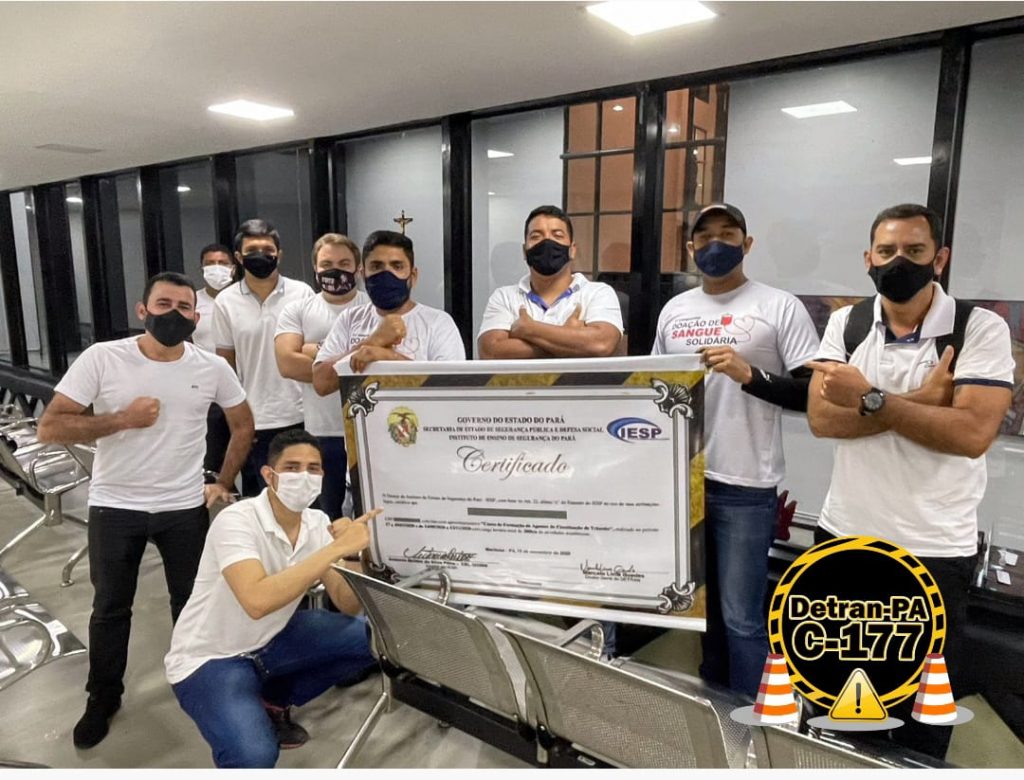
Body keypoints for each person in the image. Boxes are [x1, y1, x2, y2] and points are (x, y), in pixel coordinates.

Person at [807, 203, 1014, 759]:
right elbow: (823, 420)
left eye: (915, 251)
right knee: (843, 702)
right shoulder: (847, 324)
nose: (899, 261)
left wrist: (869, 399)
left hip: (932, 550)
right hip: (844, 537)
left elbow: (971, 433)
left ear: (939, 259)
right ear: (868, 259)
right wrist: (923, 400)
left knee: (920, 717)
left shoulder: (978, 328)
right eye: (887, 251)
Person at [36, 272, 255, 749]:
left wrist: (222, 482)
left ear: (196, 317)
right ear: (142, 310)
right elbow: (49, 427)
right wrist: (121, 420)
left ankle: (199, 683)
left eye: (184, 307)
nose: (174, 314)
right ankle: (102, 697)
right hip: (116, 505)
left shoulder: (211, 367)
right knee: (110, 607)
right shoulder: (104, 357)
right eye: (163, 304)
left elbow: (243, 424)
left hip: (183, 507)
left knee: (192, 604)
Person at [652, 203, 820, 698]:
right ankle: (714, 707)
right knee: (701, 611)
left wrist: (752, 375)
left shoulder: (779, 306)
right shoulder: (674, 310)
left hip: (746, 485)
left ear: (747, 244)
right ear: (690, 248)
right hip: (684, 483)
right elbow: (654, 386)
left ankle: (755, 723)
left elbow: (814, 393)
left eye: (728, 234)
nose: (715, 244)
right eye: (705, 237)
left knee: (742, 618)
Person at [165, 430, 378, 768]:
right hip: (211, 658)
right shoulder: (237, 520)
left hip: (271, 639)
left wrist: (352, 554)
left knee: (373, 640)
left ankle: (273, 700)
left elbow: (346, 602)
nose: (303, 477)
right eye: (292, 467)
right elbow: (257, 601)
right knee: (254, 755)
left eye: (313, 469)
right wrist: (335, 548)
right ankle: (249, 705)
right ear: (269, 474)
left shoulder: (317, 522)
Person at [214, 219, 314, 496]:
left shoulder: (302, 294)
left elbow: (313, 351)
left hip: (301, 414)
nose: (261, 255)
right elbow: (225, 364)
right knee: (260, 500)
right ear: (239, 257)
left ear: (279, 254)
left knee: (302, 496)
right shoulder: (226, 301)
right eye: (252, 250)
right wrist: (236, 420)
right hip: (255, 421)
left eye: (268, 250)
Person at [275, 234, 369, 520]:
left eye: (344, 263)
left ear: (358, 268)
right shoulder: (298, 309)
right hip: (322, 432)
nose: (335, 270)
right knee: (325, 516)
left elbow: (383, 366)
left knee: (368, 514)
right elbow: (288, 364)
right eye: (327, 264)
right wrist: (356, 358)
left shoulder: (373, 308)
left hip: (367, 429)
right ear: (315, 268)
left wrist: (315, 351)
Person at [312, 230, 465, 391]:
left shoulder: (438, 323)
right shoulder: (350, 319)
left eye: (397, 266)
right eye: (376, 266)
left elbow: (453, 388)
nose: (386, 274)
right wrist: (373, 341)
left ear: (413, 276)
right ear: (363, 274)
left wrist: (390, 357)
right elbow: (321, 383)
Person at [477, 204, 622, 359]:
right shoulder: (504, 297)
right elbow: (490, 351)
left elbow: (601, 344)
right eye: (536, 236)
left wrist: (529, 329)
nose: (546, 242)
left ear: (572, 250)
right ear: (525, 251)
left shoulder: (598, 293)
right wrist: (570, 340)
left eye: (557, 236)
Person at [195, 243, 238, 481]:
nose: (216, 268)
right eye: (210, 264)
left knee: (246, 454)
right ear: (202, 269)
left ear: (233, 268)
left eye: (222, 263)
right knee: (212, 458)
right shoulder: (192, 302)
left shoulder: (242, 299)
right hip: (209, 393)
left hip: (243, 387)